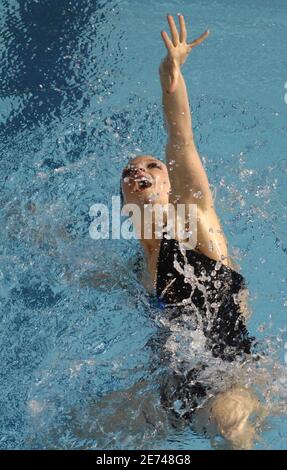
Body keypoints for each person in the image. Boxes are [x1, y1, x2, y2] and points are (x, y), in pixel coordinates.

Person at [120, 14, 262, 449]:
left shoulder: (196, 220)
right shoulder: (138, 261)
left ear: (169, 182)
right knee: (77, 427)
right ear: (125, 205)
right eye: (129, 171)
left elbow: (181, 138)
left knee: (228, 421)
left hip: (229, 380)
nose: (139, 172)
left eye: (151, 167)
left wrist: (172, 81)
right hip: (167, 392)